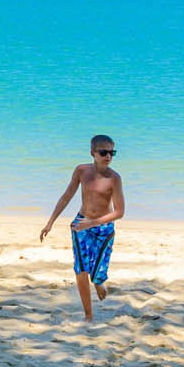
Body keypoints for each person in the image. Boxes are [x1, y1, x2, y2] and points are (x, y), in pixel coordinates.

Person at [40, 134, 125, 323]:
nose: (108, 156)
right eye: (104, 152)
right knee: (81, 270)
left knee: (96, 274)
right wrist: (50, 222)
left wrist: (93, 223)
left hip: (103, 228)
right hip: (81, 224)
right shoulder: (81, 171)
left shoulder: (114, 178)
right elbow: (67, 195)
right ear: (93, 153)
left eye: (112, 152)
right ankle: (88, 315)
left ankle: (99, 282)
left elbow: (119, 212)